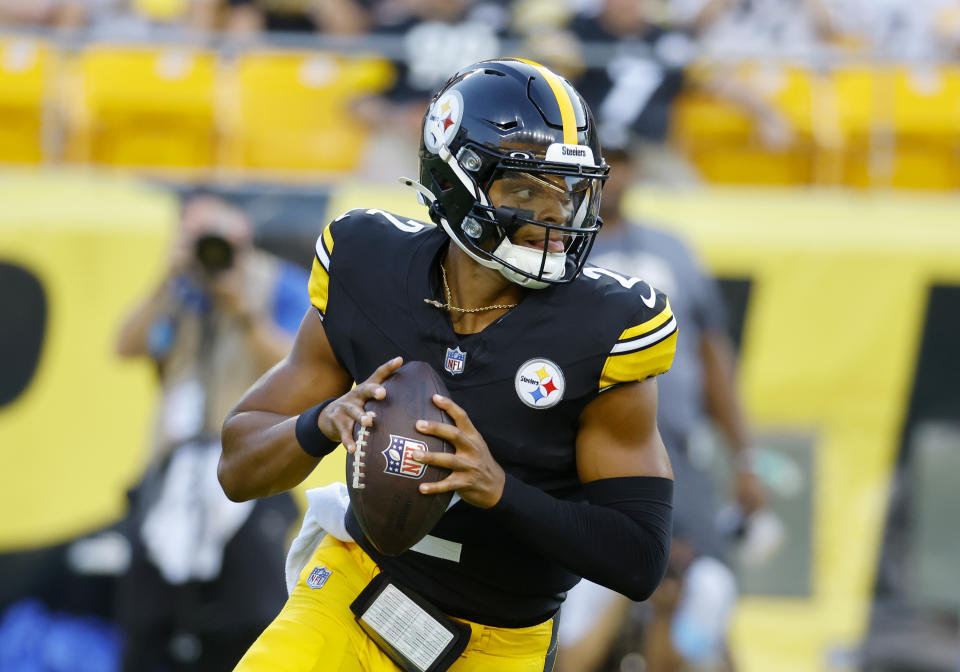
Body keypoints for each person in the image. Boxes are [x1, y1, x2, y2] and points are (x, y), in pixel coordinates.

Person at [218, 58, 679, 672]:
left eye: (569, 192)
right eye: (524, 190)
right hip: (357, 591)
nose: (557, 219)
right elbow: (236, 468)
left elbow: (640, 560)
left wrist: (499, 490)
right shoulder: (368, 268)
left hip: (498, 639)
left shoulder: (606, 328)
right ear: (457, 180)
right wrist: (322, 422)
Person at [556, 143, 768, 672]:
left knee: (703, 592)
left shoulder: (674, 250)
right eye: (608, 160)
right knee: (582, 601)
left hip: (677, 456)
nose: (617, 174)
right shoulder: (552, 250)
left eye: (625, 161)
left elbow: (712, 354)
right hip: (583, 455)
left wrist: (745, 458)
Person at [113, 191, 308, 671]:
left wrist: (242, 309)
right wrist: (169, 277)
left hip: (248, 466)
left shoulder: (277, 282)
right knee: (147, 616)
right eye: (200, 239)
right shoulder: (180, 289)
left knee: (252, 610)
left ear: (244, 237)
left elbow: (299, 367)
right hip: (173, 468)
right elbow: (127, 345)